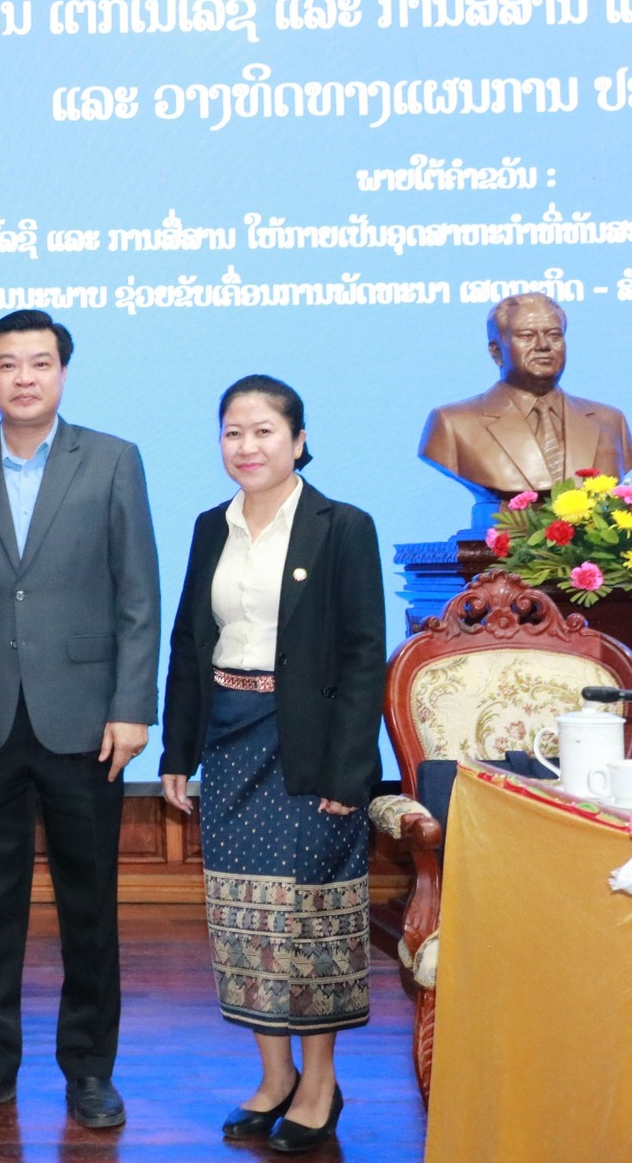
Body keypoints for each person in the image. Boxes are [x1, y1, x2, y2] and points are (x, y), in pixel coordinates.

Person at [0, 310, 160, 1131]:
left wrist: (132, 706)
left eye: (39, 362)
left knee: (89, 904)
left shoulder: (114, 459)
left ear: (63, 371)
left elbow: (138, 593)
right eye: (7, 363)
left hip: (87, 720)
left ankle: (90, 1068)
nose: (24, 377)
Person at [158, 376, 386, 1155]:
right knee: (243, 918)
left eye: (263, 431)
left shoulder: (341, 525)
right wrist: (177, 750)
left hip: (309, 745)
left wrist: (349, 771)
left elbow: (363, 656)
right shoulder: (209, 526)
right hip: (229, 734)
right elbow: (189, 642)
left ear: (297, 440)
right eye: (233, 431)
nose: (247, 446)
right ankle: (274, 1075)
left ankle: (320, 1083)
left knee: (312, 920)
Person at [419, 292, 632, 497]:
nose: (543, 345)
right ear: (496, 351)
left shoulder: (610, 421)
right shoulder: (452, 423)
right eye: (526, 336)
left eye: (554, 335)